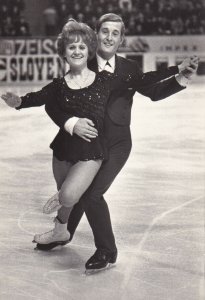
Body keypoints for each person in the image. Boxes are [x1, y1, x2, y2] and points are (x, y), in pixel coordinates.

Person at [37, 13, 198, 273]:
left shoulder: (130, 69)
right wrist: (72, 123)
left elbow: (152, 92)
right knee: (75, 191)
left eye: (115, 33)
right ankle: (62, 231)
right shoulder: (83, 62)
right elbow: (59, 99)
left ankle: (107, 251)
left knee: (91, 194)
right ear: (96, 35)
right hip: (88, 143)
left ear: (122, 39)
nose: (109, 37)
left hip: (118, 144)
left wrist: (181, 78)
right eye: (105, 31)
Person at [1, 19, 118, 246]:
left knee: (68, 196)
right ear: (64, 52)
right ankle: (60, 231)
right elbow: (35, 98)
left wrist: (177, 75)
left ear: (89, 51)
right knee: (66, 198)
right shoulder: (58, 85)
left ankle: (62, 207)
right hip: (63, 150)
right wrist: (18, 102)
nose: (77, 51)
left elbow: (141, 81)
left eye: (81, 47)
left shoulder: (104, 80)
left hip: (92, 150)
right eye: (71, 47)